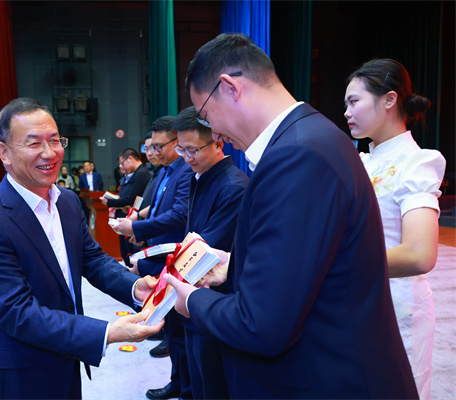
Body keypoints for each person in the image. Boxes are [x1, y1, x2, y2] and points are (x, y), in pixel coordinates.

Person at [164, 33, 418, 399]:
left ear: (231, 88)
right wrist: (233, 265)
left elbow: (261, 325)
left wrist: (192, 301)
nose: (213, 131)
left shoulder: (296, 155)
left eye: (206, 114)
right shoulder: (309, 137)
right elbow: (311, 268)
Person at [0, 97, 163, 400]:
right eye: (34, 143)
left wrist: (135, 287)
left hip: (66, 362)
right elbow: (18, 312)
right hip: (17, 376)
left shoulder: (66, 201)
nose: (49, 152)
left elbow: (92, 259)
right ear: (4, 152)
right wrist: (107, 333)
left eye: (55, 140)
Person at [344, 58, 446, 400]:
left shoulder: (418, 161)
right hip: (355, 299)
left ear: (389, 99)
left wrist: (342, 264)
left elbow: (419, 254)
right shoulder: (360, 160)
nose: (346, 112)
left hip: (397, 305)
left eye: (354, 101)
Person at [113, 116, 194, 400]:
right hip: (160, 252)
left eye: (159, 146)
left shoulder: (185, 170)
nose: (154, 152)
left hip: (175, 257)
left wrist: (136, 228)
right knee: (172, 327)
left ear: (177, 142)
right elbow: (157, 207)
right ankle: (177, 382)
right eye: (151, 147)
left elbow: (178, 216)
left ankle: (185, 389)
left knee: (181, 332)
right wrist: (140, 225)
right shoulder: (164, 171)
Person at [173, 106, 249, 399]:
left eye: (193, 150)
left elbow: (204, 249)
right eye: (181, 149)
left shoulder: (233, 186)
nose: (186, 158)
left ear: (218, 142)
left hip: (215, 302)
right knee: (198, 383)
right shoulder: (200, 177)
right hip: (196, 299)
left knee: (213, 386)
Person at [100, 148, 152, 266]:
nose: (121, 167)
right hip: (129, 215)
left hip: (136, 217)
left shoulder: (141, 174)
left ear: (130, 159)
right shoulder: (130, 175)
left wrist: (109, 202)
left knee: (133, 254)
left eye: (122, 163)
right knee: (126, 253)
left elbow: (129, 198)